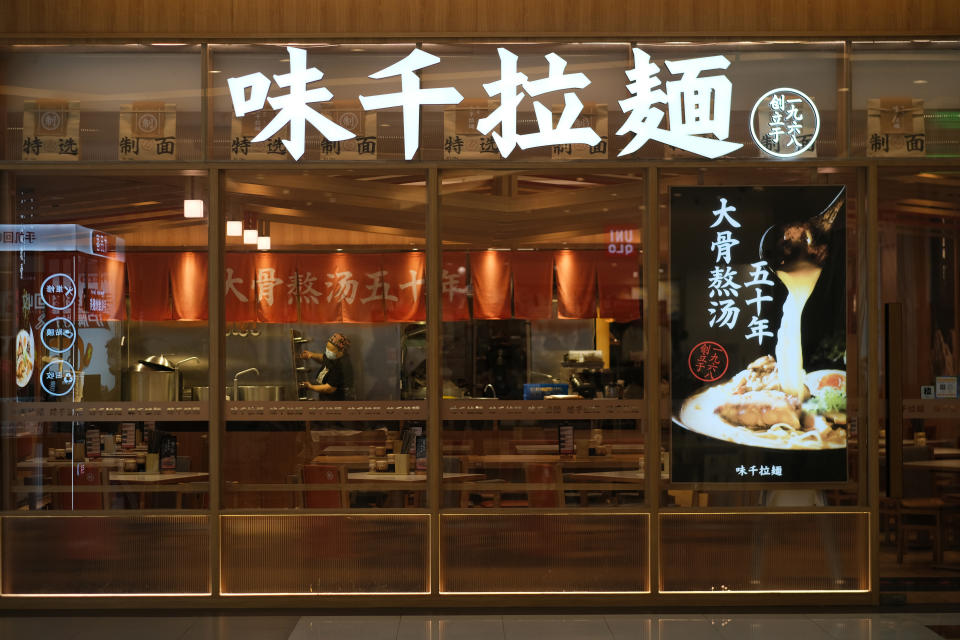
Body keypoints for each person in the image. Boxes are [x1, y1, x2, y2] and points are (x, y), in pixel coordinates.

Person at [300, 332, 350, 401]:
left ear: (341, 351)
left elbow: (329, 388)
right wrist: (311, 355)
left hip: (334, 400)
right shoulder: (333, 356)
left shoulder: (341, 365)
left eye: (331, 351)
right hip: (324, 397)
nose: (328, 352)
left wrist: (311, 387)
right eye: (327, 349)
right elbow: (324, 358)